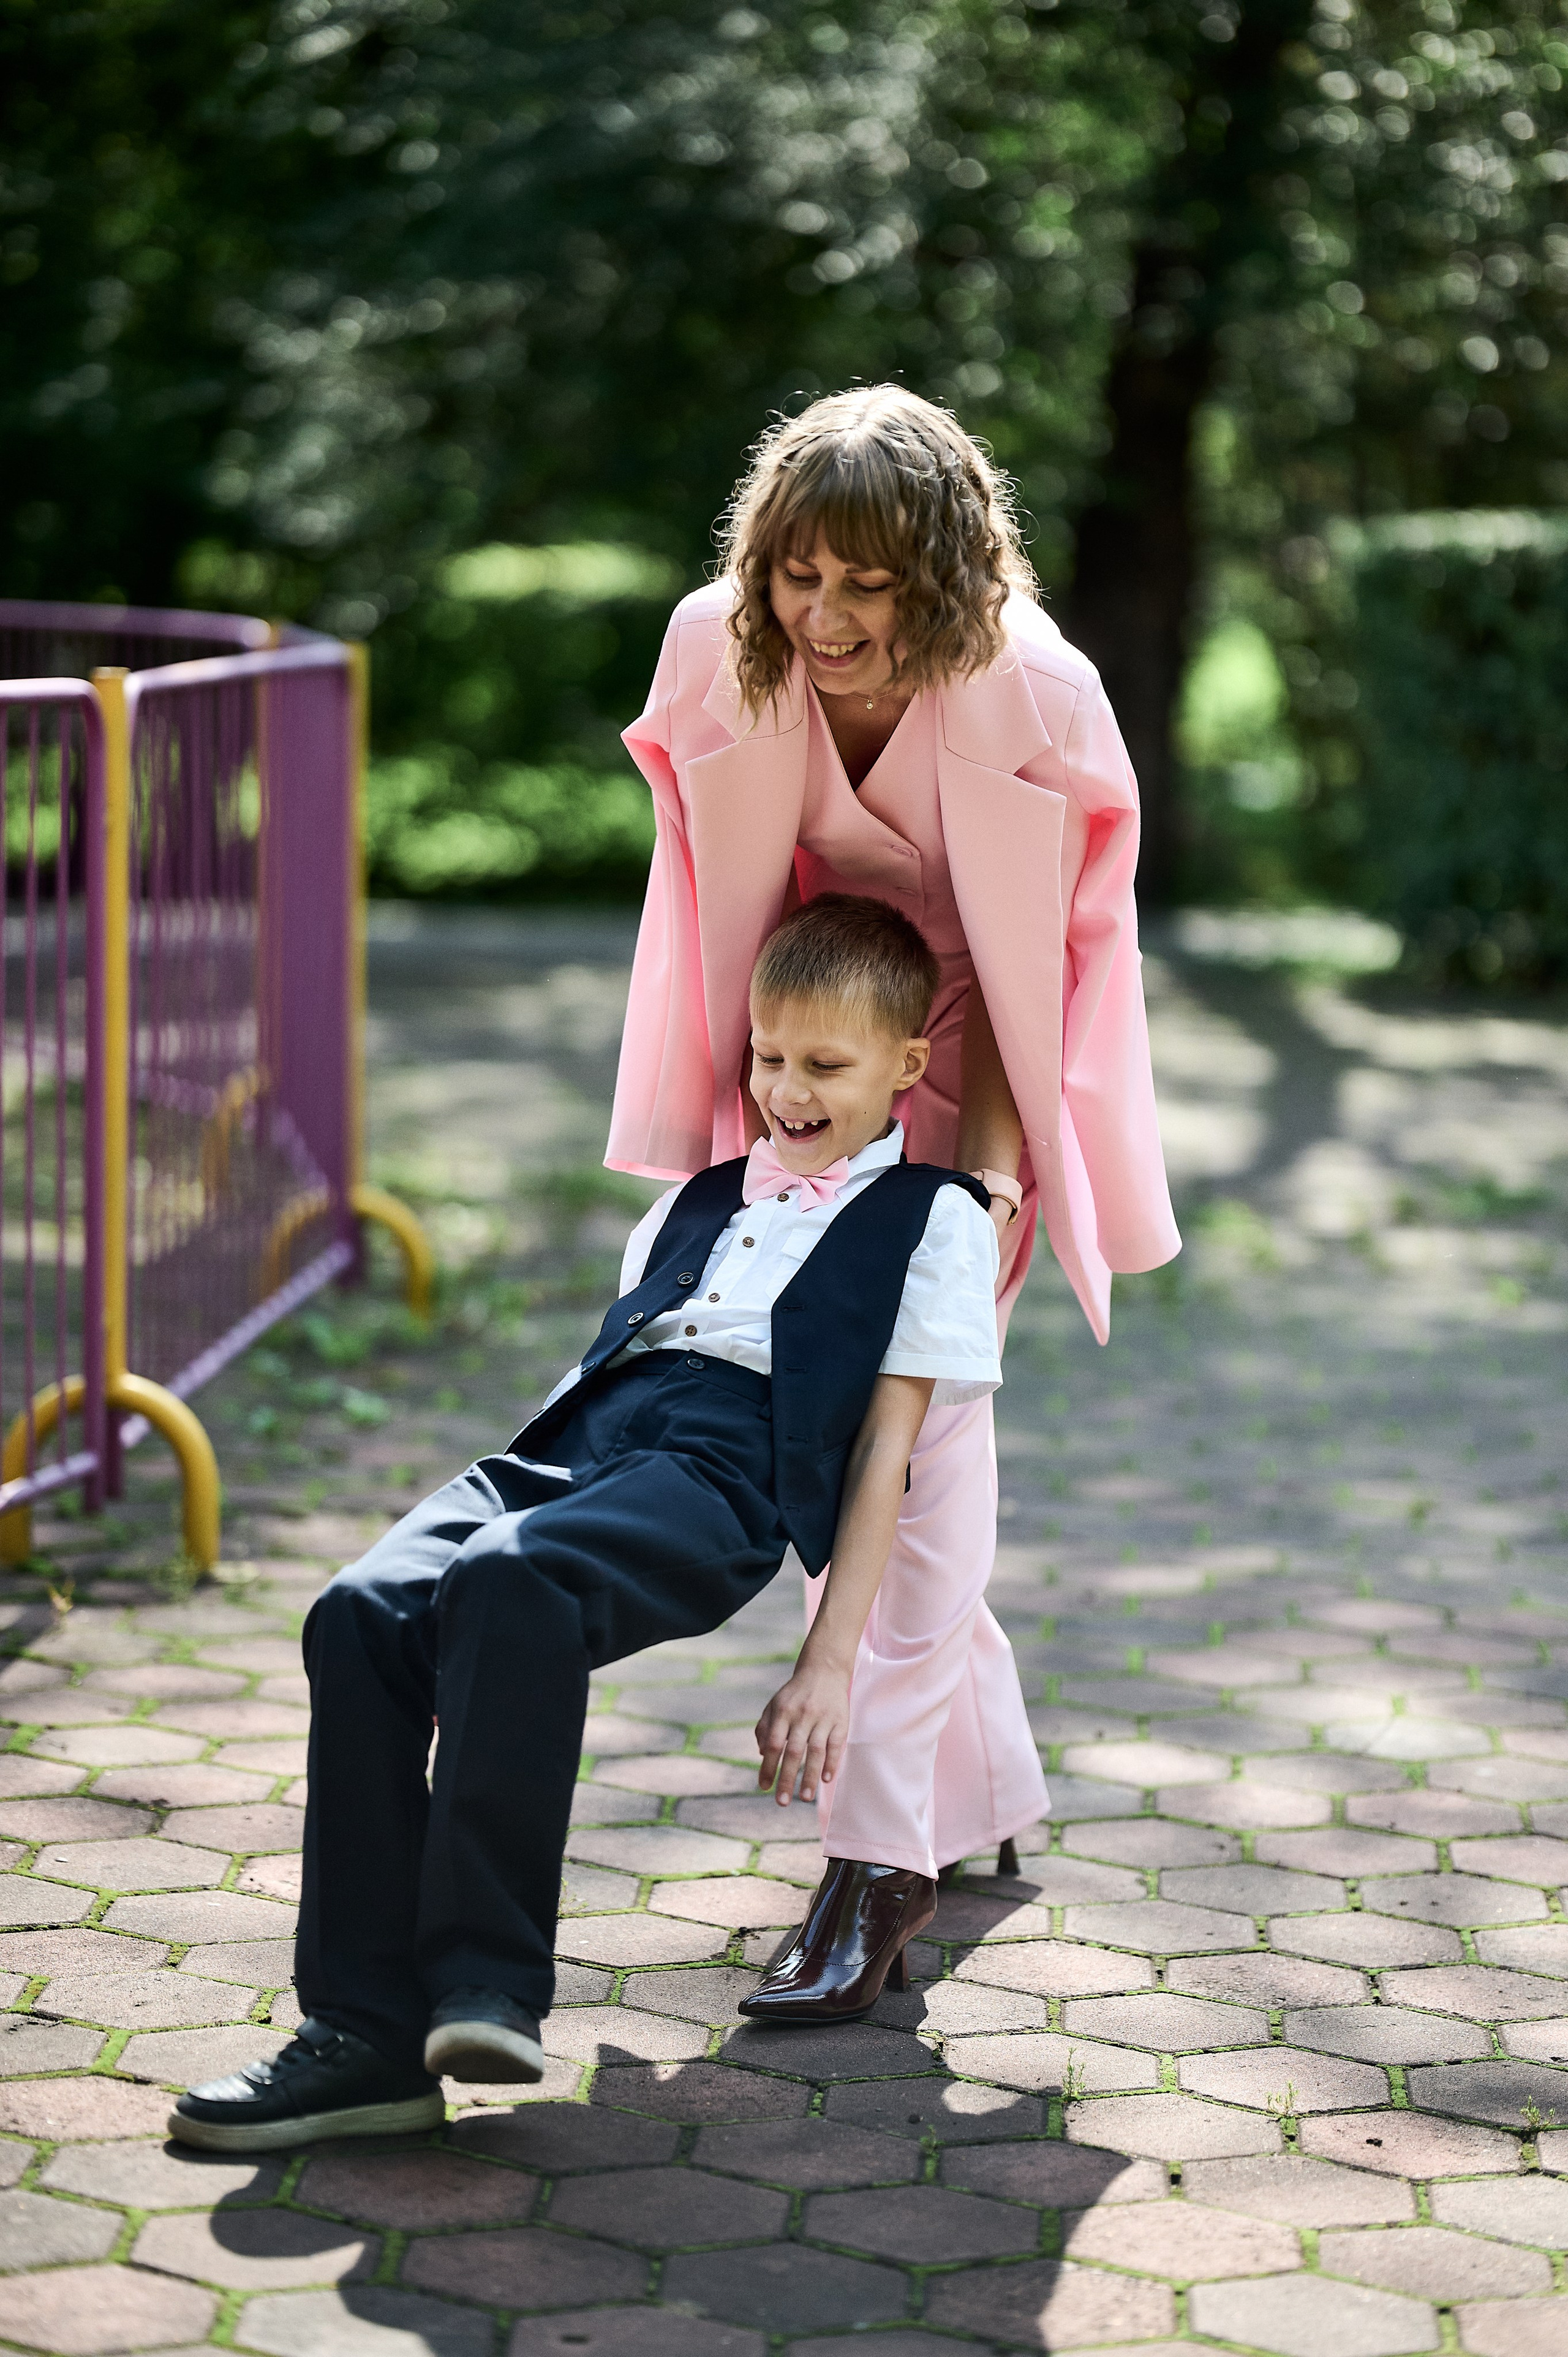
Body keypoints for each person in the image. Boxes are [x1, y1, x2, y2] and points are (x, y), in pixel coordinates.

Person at [167, 895, 1008, 2153]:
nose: (786, 1087)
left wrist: (826, 1661)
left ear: (905, 1066)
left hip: (729, 1469)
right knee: (360, 1612)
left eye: (824, 1064)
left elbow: (889, 1448)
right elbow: (616, 1355)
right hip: (580, 1438)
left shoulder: (932, 1216)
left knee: (515, 1581)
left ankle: (484, 1986)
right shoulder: (698, 1196)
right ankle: (360, 2039)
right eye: (768, 1055)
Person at [608, 385, 1180, 2013]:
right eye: (801, 573)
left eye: (871, 586)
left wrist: (984, 1179)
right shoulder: (713, 649)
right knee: (821, 1440)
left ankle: (878, 1870)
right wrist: (751, 1117)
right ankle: (978, 1786)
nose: (827, 615)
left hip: (975, 1075)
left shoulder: (1040, 698)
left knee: (911, 1447)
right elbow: (701, 896)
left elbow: (1043, 968)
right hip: (793, 1068)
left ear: (949, 580)